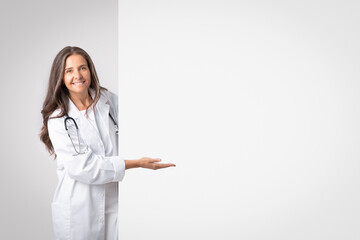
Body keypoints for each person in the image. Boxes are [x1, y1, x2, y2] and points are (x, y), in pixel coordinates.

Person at [40, 46, 175, 240]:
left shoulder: (107, 100)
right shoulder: (59, 119)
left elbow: (142, 118)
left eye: (82, 68)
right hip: (79, 209)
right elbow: (85, 168)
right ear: (60, 77)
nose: (77, 75)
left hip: (113, 204)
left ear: (90, 70)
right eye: (69, 71)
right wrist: (137, 163)